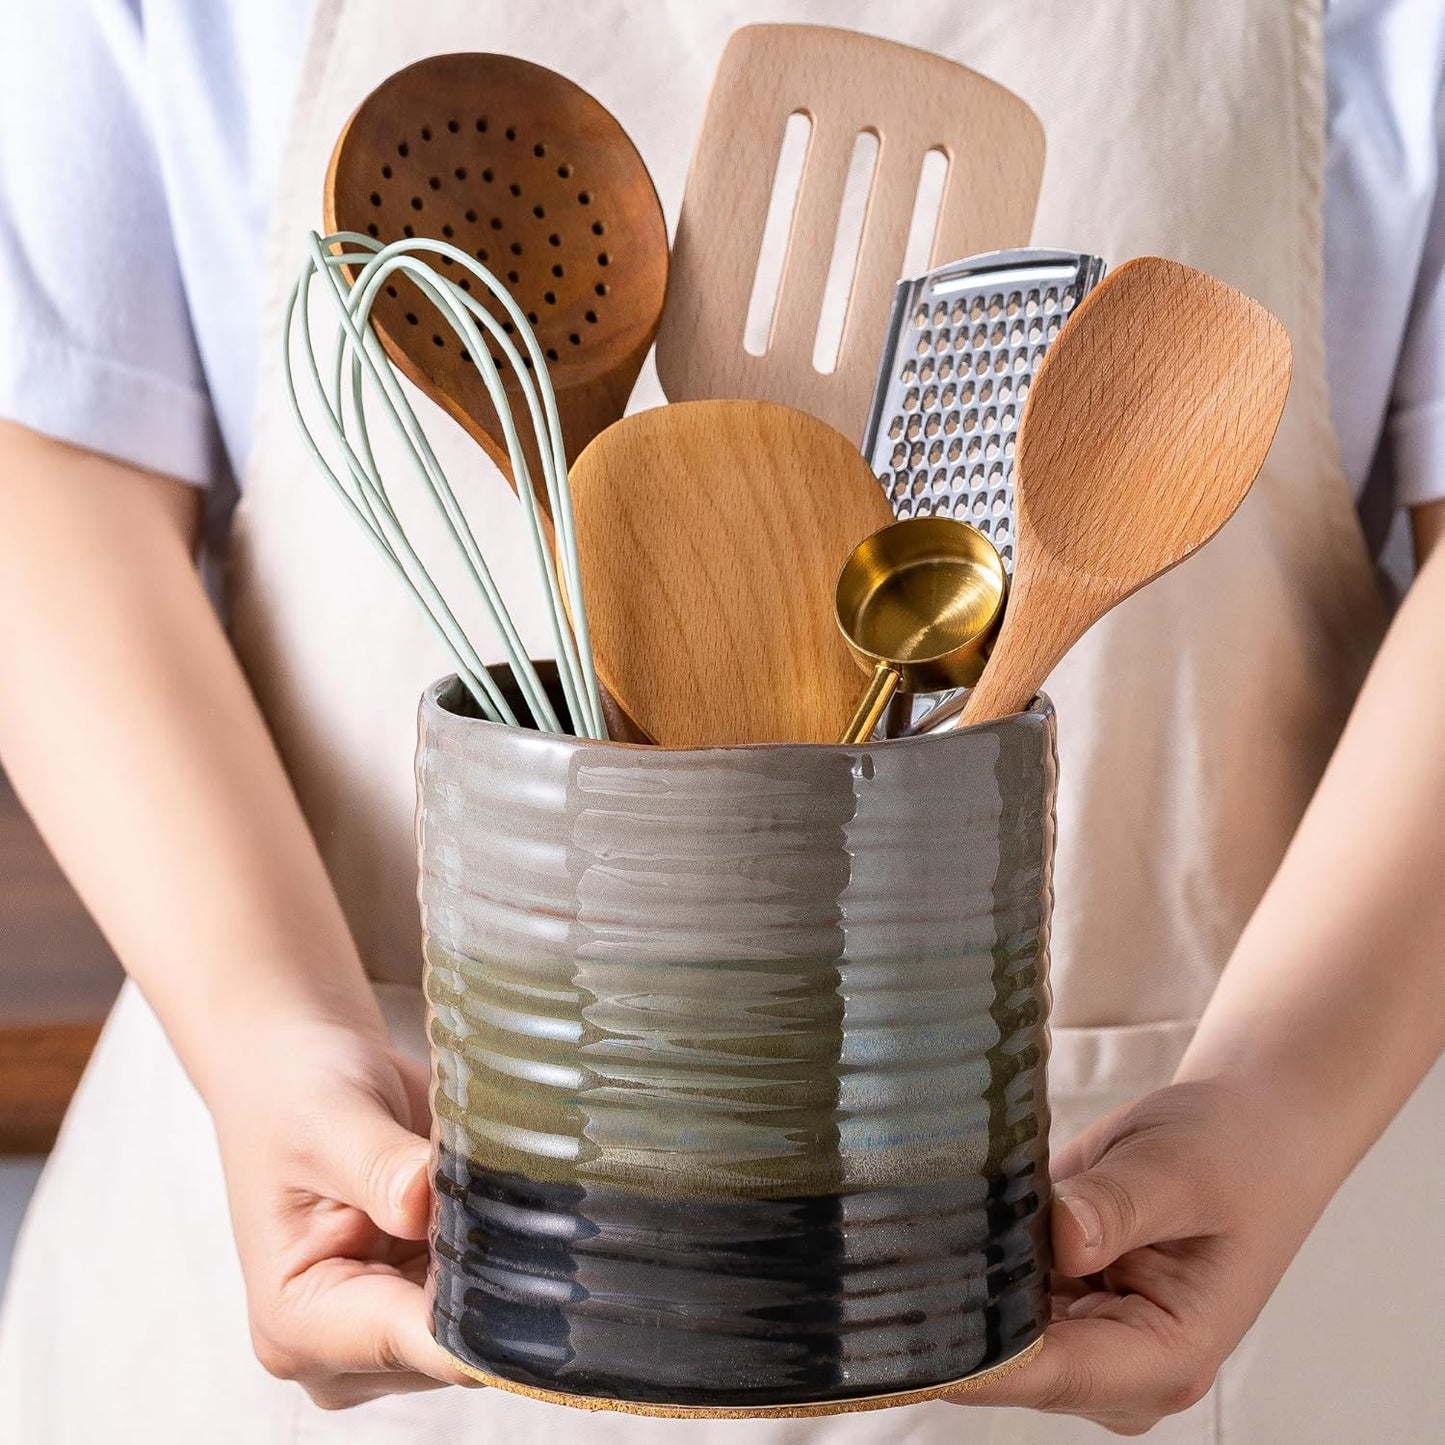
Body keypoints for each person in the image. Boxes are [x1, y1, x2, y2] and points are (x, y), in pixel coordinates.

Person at [1, 0, 1442, 1440]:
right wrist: (268, 1030)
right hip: (380, 1213)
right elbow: (47, 458)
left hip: (1147, 1215)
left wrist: (1278, 1091)